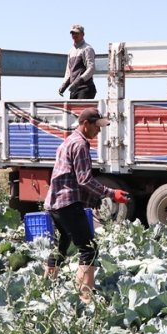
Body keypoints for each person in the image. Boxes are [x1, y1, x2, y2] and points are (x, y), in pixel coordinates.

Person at [43, 107, 130, 299]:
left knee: (64, 243)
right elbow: (84, 180)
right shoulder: (80, 144)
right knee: (89, 248)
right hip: (67, 203)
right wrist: (111, 193)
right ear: (85, 124)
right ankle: (84, 296)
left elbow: (72, 177)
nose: (98, 131)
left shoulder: (68, 141)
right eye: (96, 126)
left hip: (54, 202)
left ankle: (46, 285)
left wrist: (95, 199)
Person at [58, 24, 97, 99]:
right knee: (72, 110)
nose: (74, 35)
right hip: (74, 89)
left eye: (76, 33)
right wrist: (64, 85)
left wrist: (79, 80)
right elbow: (69, 71)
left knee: (80, 110)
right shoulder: (71, 51)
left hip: (85, 88)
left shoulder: (87, 49)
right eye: (72, 33)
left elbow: (91, 68)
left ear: (82, 34)